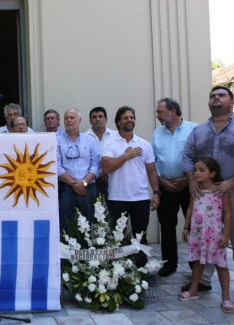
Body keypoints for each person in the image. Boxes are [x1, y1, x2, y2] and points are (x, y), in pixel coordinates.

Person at [182, 86, 234, 310]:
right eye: (213, 96)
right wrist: (192, 180)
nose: (216, 98)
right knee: (205, 236)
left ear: (232, 102)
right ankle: (203, 282)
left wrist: (232, 181)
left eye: (221, 95)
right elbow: (187, 156)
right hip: (206, 195)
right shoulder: (199, 131)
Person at [101, 106, 160, 265]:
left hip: (140, 198)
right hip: (117, 197)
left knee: (140, 237)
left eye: (132, 117)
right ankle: (117, 270)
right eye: (125, 117)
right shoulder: (109, 142)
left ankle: (140, 270)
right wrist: (126, 156)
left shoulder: (144, 144)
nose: (129, 120)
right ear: (118, 121)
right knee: (117, 236)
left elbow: (152, 171)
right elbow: (106, 167)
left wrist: (156, 192)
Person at [179, 157, 234, 313]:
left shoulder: (221, 191)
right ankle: (194, 290)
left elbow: (228, 214)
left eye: (201, 170)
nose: (196, 173)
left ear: (212, 173)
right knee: (197, 262)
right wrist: (186, 227)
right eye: (195, 169)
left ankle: (226, 298)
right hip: (198, 234)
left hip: (215, 235)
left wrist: (226, 235)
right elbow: (190, 209)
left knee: (221, 265)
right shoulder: (196, 190)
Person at [151, 98, 197, 277]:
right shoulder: (157, 133)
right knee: (167, 226)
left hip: (189, 187)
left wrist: (188, 180)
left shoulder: (194, 129)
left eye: (160, 112)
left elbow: (200, 158)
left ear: (174, 111)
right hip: (166, 186)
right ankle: (169, 264)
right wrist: (162, 181)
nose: (157, 115)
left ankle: (196, 266)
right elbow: (152, 161)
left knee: (193, 225)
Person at [57, 109, 100, 236]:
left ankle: (88, 253)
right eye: (66, 118)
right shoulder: (57, 141)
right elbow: (56, 166)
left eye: (72, 117)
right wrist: (74, 184)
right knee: (66, 225)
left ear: (79, 120)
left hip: (88, 188)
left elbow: (96, 165)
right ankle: (67, 254)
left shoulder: (90, 140)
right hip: (66, 188)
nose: (69, 120)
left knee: (90, 223)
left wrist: (84, 183)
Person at [84, 107, 117, 200]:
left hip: (112, 180)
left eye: (100, 116)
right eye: (94, 117)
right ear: (90, 121)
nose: (97, 119)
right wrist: (99, 174)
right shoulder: (84, 138)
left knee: (113, 211)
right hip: (91, 182)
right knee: (93, 210)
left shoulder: (115, 136)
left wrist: (107, 174)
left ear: (106, 119)